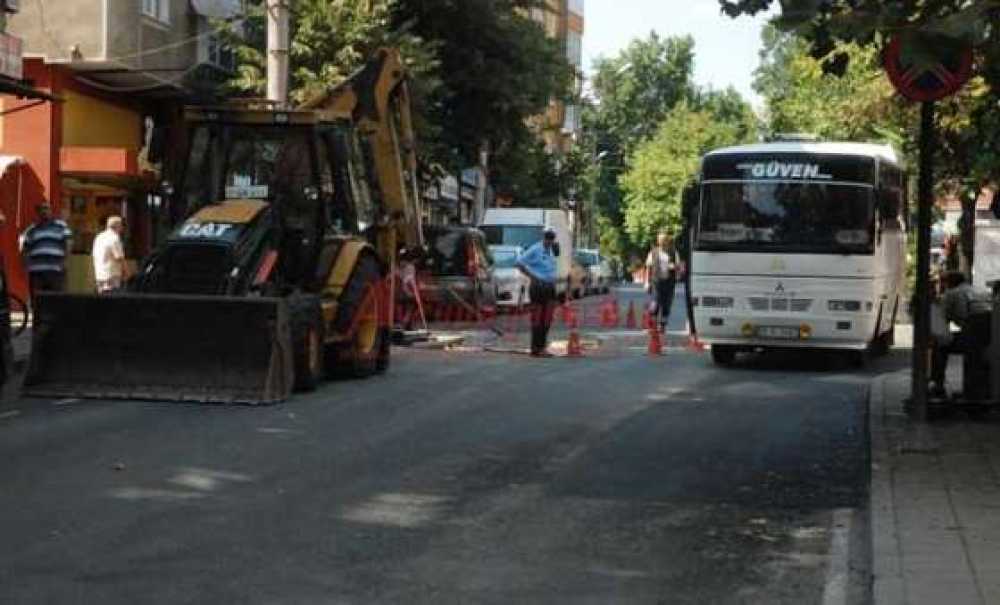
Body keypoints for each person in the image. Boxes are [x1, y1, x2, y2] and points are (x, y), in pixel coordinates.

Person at [930, 271, 993, 397]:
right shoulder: (980, 291)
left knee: (940, 346)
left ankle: (938, 384)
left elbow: (942, 324)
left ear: (949, 283)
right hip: (991, 337)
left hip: (971, 337)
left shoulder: (951, 294)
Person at [19, 201, 72, 303]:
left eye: (47, 209)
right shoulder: (32, 229)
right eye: (41, 209)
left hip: (55, 269)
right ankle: (38, 318)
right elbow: (25, 248)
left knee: (56, 299)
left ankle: (56, 319)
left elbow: (68, 243)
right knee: (37, 300)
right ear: (37, 212)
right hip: (37, 271)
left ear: (51, 211)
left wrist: (65, 260)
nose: (44, 211)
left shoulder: (61, 226)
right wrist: (25, 264)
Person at [517, 227, 558, 357]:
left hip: (550, 286)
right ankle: (536, 348)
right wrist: (533, 277)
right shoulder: (535, 249)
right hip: (538, 286)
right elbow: (519, 263)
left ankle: (542, 347)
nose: (549, 241)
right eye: (548, 238)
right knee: (538, 319)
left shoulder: (551, 250)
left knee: (548, 318)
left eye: (551, 239)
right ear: (543, 237)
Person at [645, 231, 679, 333]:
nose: (663, 242)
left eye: (665, 240)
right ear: (658, 241)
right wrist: (647, 282)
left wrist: (674, 267)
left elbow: (678, 266)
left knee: (666, 305)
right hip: (656, 282)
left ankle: (662, 325)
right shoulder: (653, 252)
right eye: (661, 240)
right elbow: (649, 267)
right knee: (655, 304)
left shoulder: (673, 252)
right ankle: (652, 324)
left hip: (669, 282)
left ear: (668, 241)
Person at [92, 215, 128, 293]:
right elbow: (119, 257)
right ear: (117, 226)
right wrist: (126, 272)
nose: (122, 228)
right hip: (112, 276)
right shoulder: (114, 238)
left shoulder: (99, 237)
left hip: (99, 275)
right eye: (121, 225)